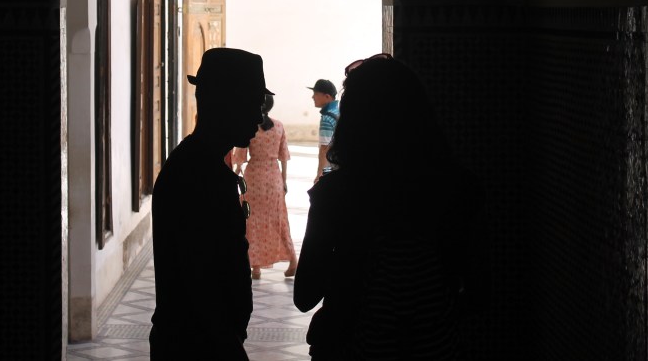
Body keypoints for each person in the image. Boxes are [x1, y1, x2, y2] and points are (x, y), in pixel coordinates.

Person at [294, 53, 486, 360]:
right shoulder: (458, 188)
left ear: (353, 119)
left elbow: (305, 296)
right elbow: (479, 292)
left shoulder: (335, 195)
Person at [149, 47, 274, 361]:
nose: (259, 117)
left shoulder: (200, 166)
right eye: (252, 104)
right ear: (225, 104)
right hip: (196, 344)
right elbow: (200, 280)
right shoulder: (196, 175)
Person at [231, 93, 299, 280]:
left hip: (254, 178)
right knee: (279, 221)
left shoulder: (250, 126)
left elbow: (240, 159)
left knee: (251, 222)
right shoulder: (278, 126)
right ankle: (293, 259)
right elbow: (283, 156)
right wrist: (283, 181)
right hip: (273, 178)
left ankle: (256, 267)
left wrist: (234, 174)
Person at [307, 78, 339, 184]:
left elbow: (325, 149)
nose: (312, 97)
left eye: (316, 93)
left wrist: (319, 174)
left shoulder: (327, 118)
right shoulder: (338, 112)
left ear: (327, 96)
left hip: (331, 169)